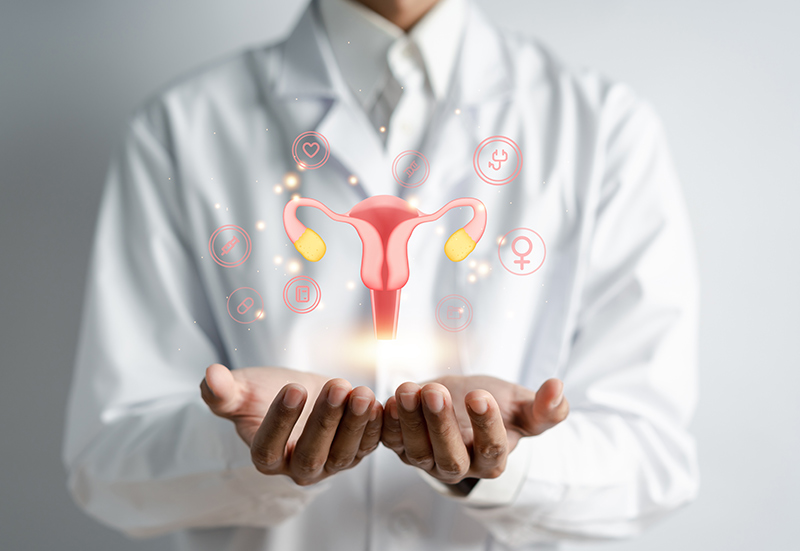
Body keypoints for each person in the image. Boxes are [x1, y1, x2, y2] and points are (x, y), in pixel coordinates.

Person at [62, 0, 700, 549]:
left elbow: (653, 460)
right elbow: (111, 468)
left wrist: (498, 463)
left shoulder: (604, 131)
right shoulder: (180, 131)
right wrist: (248, 451)